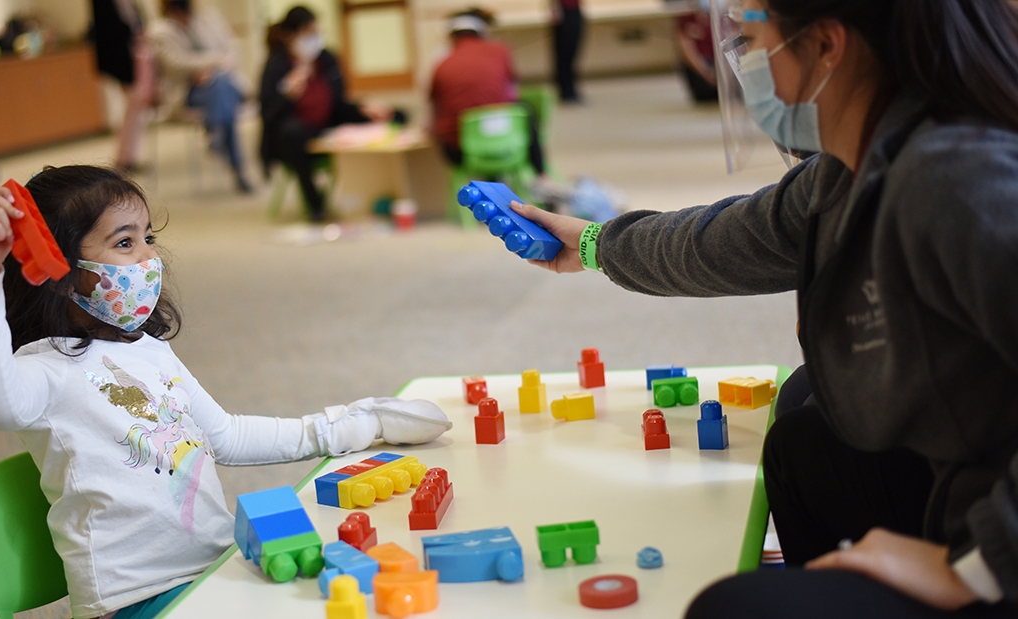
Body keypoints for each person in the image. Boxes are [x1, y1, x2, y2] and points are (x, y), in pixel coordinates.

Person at [507, 0, 1018, 616]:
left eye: (751, 40)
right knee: (806, 429)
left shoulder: (960, 180)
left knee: (734, 607)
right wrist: (592, 243)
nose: (743, 62)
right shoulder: (850, 168)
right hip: (968, 480)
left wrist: (975, 567)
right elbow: (719, 241)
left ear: (827, 46)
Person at [0, 165, 452, 618]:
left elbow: (228, 437)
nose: (150, 257)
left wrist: (356, 424)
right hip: (136, 599)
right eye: (125, 243)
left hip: (211, 571)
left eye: (146, 238)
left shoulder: (148, 351)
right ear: (56, 271)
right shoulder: (44, 370)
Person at [259, 6, 397, 221]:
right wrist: (287, 94)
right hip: (293, 136)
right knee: (292, 133)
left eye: (315, 33)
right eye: (306, 34)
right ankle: (315, 205)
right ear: (289, 36)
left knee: (392, 114)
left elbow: (338, 102)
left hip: (327, 123)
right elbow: (268, 115)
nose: (313, 40)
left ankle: (385, 188)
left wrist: (364, 107)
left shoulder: (326, 58)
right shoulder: (276, 65)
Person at [148, 0, 252, 193]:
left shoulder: (208, 19)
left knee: (220, 87)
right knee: (223, 97)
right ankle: (237, 168)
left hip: (222, 82)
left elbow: (231, 47)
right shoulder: (159, 31)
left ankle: (215, 129)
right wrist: (209, 65)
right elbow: (175, 63)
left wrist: (212, 69)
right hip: (188, 92)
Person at [429, 8, 547, 178]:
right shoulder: (500, 51)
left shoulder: (441, 63)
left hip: (463, 153)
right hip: (507, 143)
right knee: (525, 110)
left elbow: (434, 107)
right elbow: (512, 90)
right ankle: (542, 177)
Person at [90, 0, 155, 172]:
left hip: (129, 57)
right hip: (120, 59)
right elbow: (110, 29)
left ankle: (128, 156)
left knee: (134, 107)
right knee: (134, 105)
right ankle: (126, 157)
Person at [675, 0, 718, 103]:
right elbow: (687, 51)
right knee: (708, 94)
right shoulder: (687, 19)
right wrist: (707, 73)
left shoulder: (720, 17)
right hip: (702, 66)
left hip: (720, 63)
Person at [550, 0, 584, 103]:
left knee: (572, 52)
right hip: (563, 10)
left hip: (574, 9)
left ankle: (571, 90)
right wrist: (555, 8)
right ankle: (566, 92)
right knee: (564, 53)